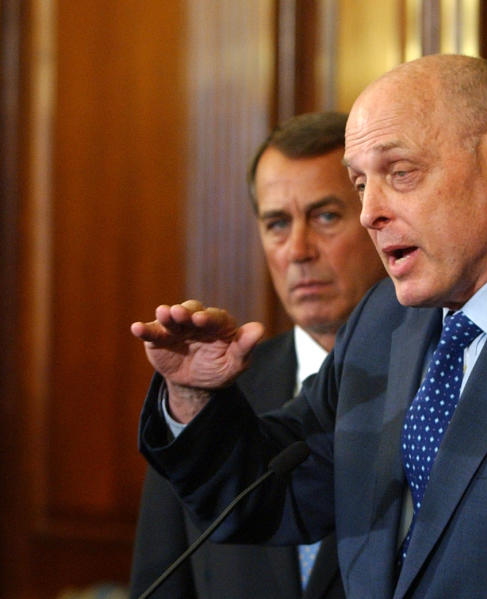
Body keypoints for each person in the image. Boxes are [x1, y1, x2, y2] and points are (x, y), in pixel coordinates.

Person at [132, 54, 487, 598]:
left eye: (400, 172)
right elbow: (269, 495)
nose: (369, 212)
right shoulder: (383, 321)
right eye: (361, 183)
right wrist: (193, 395)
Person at [128, 112, 385, 599]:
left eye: (326, 216)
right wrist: (191, 397)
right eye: (277, 224)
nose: (298, 250)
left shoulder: (429, 381)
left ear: (378, 218)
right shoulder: (207, 399)